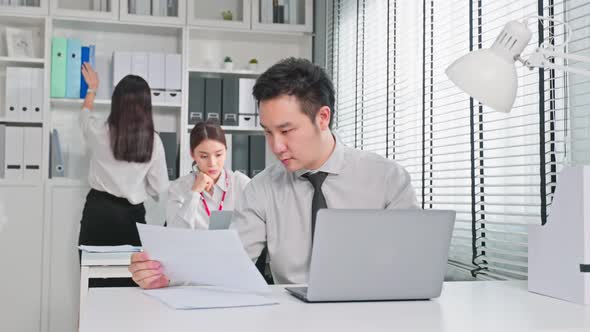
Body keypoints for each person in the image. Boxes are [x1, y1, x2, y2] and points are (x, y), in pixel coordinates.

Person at [129, 58, 418, 289]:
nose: (276, 146)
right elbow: (228, 262)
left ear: (323, 117)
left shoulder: (387, 180)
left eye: (286, 130)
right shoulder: (261, 189)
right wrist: (167, 274)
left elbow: (412, 266)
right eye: (268, 132)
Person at [78, 63, 169, 262]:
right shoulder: (153, 142)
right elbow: (158, 187)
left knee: (91, 275)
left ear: (116, 102)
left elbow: (83, 115)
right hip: (131, 217)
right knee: (128, 280)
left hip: (98, 211)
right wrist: (135, 183)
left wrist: (92, 88)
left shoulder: (97, 131)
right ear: (146, 106)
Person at [166, 120, 250, 230]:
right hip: (194, 247)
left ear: (226, 151)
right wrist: (194, 193)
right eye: (204, 156)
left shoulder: (241, 184)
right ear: (192, 154)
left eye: (218, 154)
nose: (212, 163)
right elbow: (174, 232)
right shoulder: (179, 188)